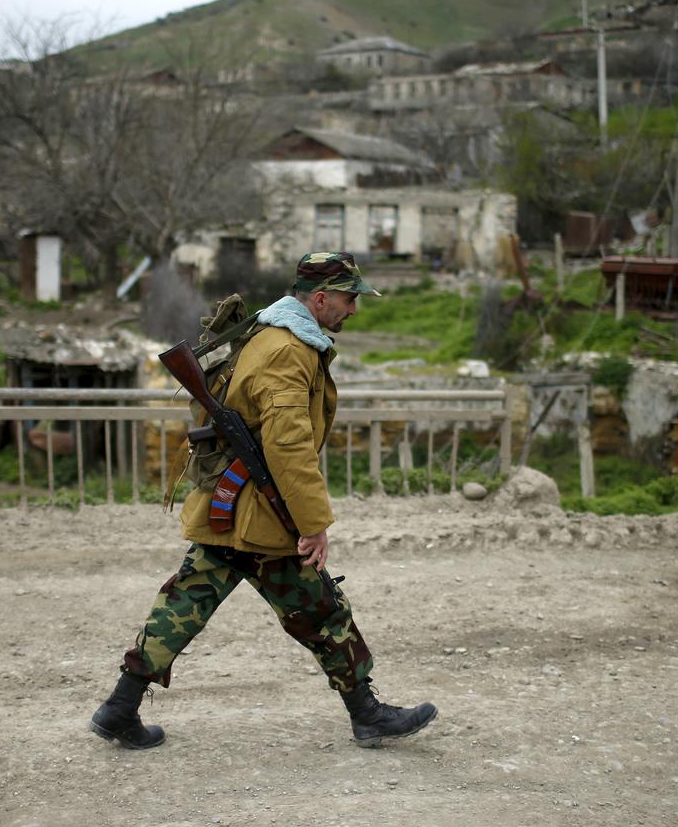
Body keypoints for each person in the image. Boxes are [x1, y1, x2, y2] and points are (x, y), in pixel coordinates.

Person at [90, 252, 438, 749]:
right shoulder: (287, 351)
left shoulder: (269, 334)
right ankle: (367, 714)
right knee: (322, 611)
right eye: (348, 298)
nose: (353, 309)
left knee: (185, 601)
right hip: (259, 515)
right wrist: (313, 523)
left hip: (230, 508)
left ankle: (120, 707)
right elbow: (288, 445)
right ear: (319, 299)